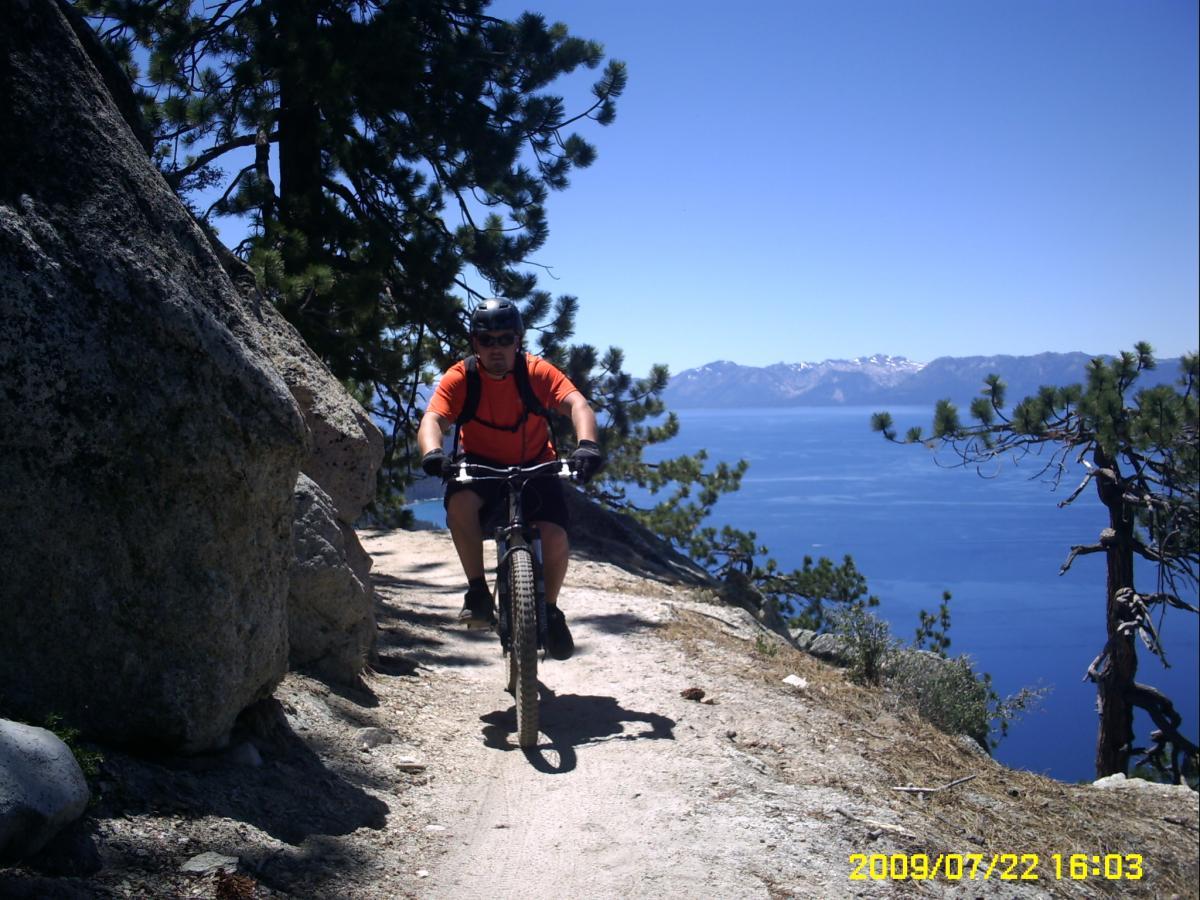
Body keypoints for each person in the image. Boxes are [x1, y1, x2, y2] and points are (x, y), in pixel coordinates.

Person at [416, 299, 604, 659]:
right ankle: (477, 593)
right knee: (459, 503)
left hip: (535, 463)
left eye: (505, 339)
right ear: (475, 343)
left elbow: (577, 404)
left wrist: (587, 445)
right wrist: (432, 453)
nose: (496, 348)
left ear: (518, 340)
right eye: (487, 340)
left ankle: (549, 609)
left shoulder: (535, 372)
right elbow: (434, 419)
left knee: (554, 535)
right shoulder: (462, 376)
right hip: (480, 464)